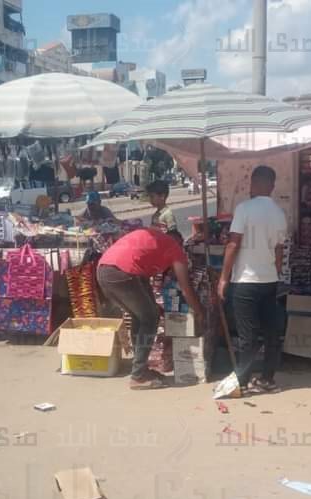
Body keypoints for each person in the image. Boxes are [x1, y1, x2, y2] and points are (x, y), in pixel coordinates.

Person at [98, 228, 205, 390]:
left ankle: (140, 368)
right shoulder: (175, 249)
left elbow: (143, 282)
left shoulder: (153, 241)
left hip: (104, 271)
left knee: (139, 316)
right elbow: (185, 288)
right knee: (150, 318)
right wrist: (199, 312)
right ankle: (138, 375)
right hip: (123, 274)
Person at [217, 166, 287, 395]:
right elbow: (279, 250)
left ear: (254, 184)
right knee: (271, 333)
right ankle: (267, 379)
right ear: (272, 186)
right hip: (268, 281)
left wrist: (223, 278)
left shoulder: (244, 209)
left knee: (248, 336)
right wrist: (274, 273)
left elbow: (233, 244)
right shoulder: (279, 213)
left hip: (245, 281)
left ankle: (243, 380)